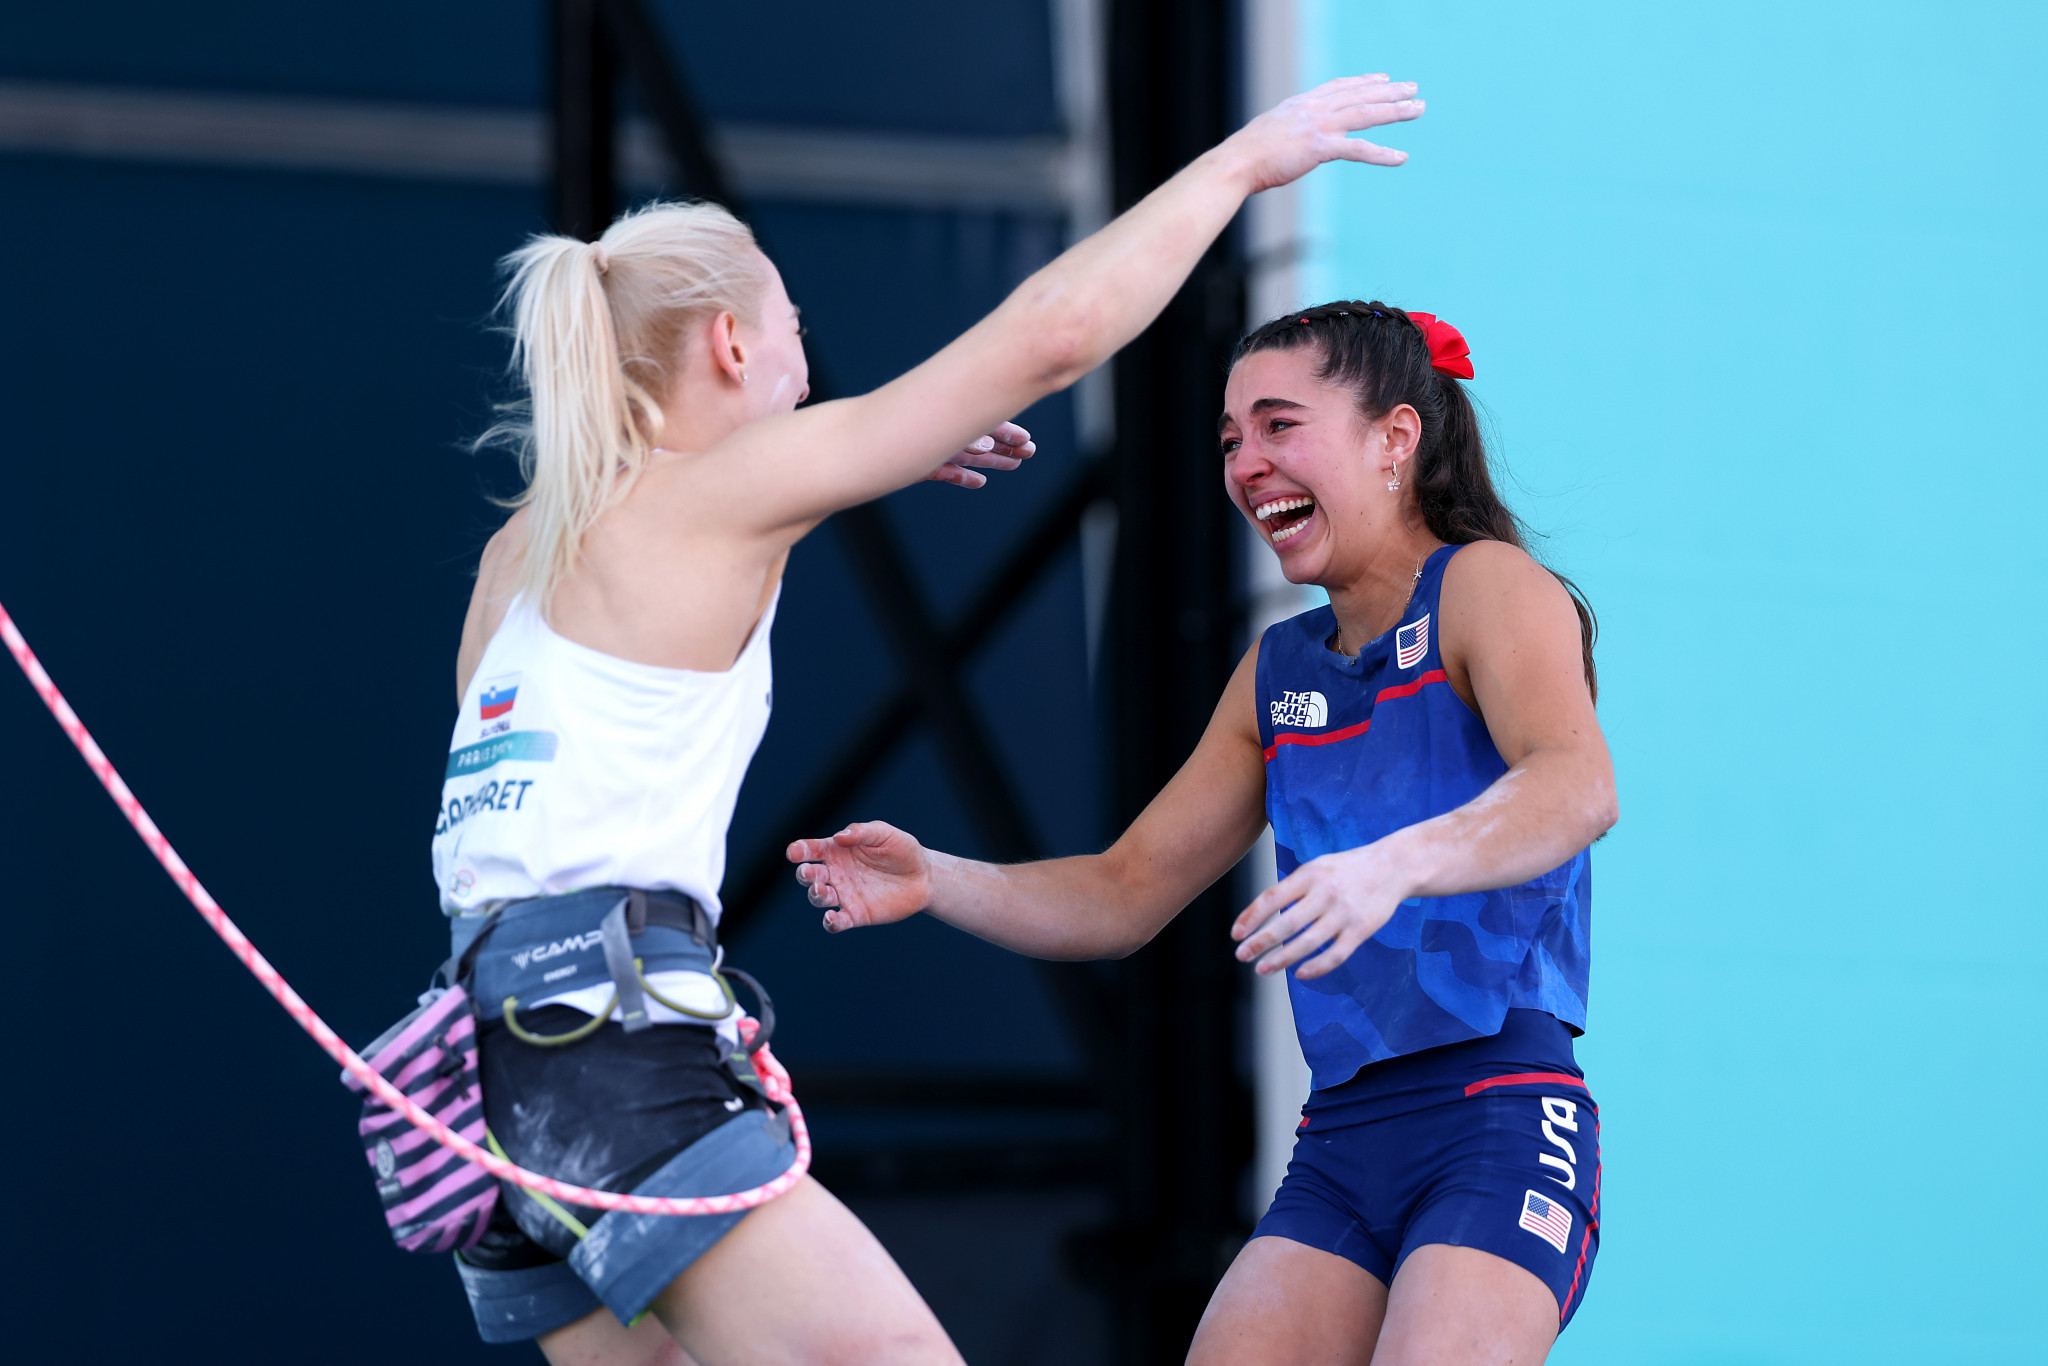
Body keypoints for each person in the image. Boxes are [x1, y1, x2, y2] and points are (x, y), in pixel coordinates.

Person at [427, 76, 1426, 1365]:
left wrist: (867, 456)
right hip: (613, 1050)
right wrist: (1233, 166)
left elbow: (620, 664)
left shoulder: (524, 548)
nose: (805, 348)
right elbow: (1052, 335)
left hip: (487, 1088)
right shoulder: (711, 501)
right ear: (735, 346)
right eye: (796, 320)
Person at [789, 300, 1616, 1363]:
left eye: (1278, 425)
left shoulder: (1486, 586)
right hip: (1341, 1141)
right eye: (1229, 438)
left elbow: (1575, 785)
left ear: (1394, 440)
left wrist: (1390, 867)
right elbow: (1125, 889)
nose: (1245, 463)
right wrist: (938, 879)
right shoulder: (1276, 670)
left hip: (1499, 1115)